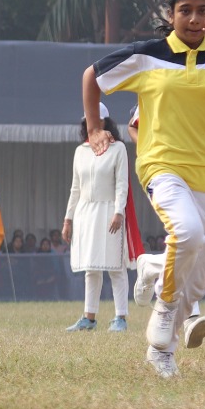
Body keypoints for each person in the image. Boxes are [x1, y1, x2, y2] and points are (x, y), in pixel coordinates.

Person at [84, 0, 205, 378]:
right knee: (187, 234)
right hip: (162, 165)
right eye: (185, 10)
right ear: (170, 15)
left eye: (203, 10)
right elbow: (92, 77)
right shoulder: (146, 55)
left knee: (200, 274)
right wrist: (95, 128)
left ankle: (154, 273)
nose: (194, 18)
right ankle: (163, 325)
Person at [62, 108, 131, 332]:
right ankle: (89, 318)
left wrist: (118, 211)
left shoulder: (118, 149)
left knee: (115, 266)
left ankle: (120, 317)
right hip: (85, 213)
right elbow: (75, 188)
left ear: (104, 122)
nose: (90, 124)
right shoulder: (80, 151)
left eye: (94, 120)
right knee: (91, 268)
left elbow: (122, 184)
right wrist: (68, 219)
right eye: (87, 121)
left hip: (109, 211)